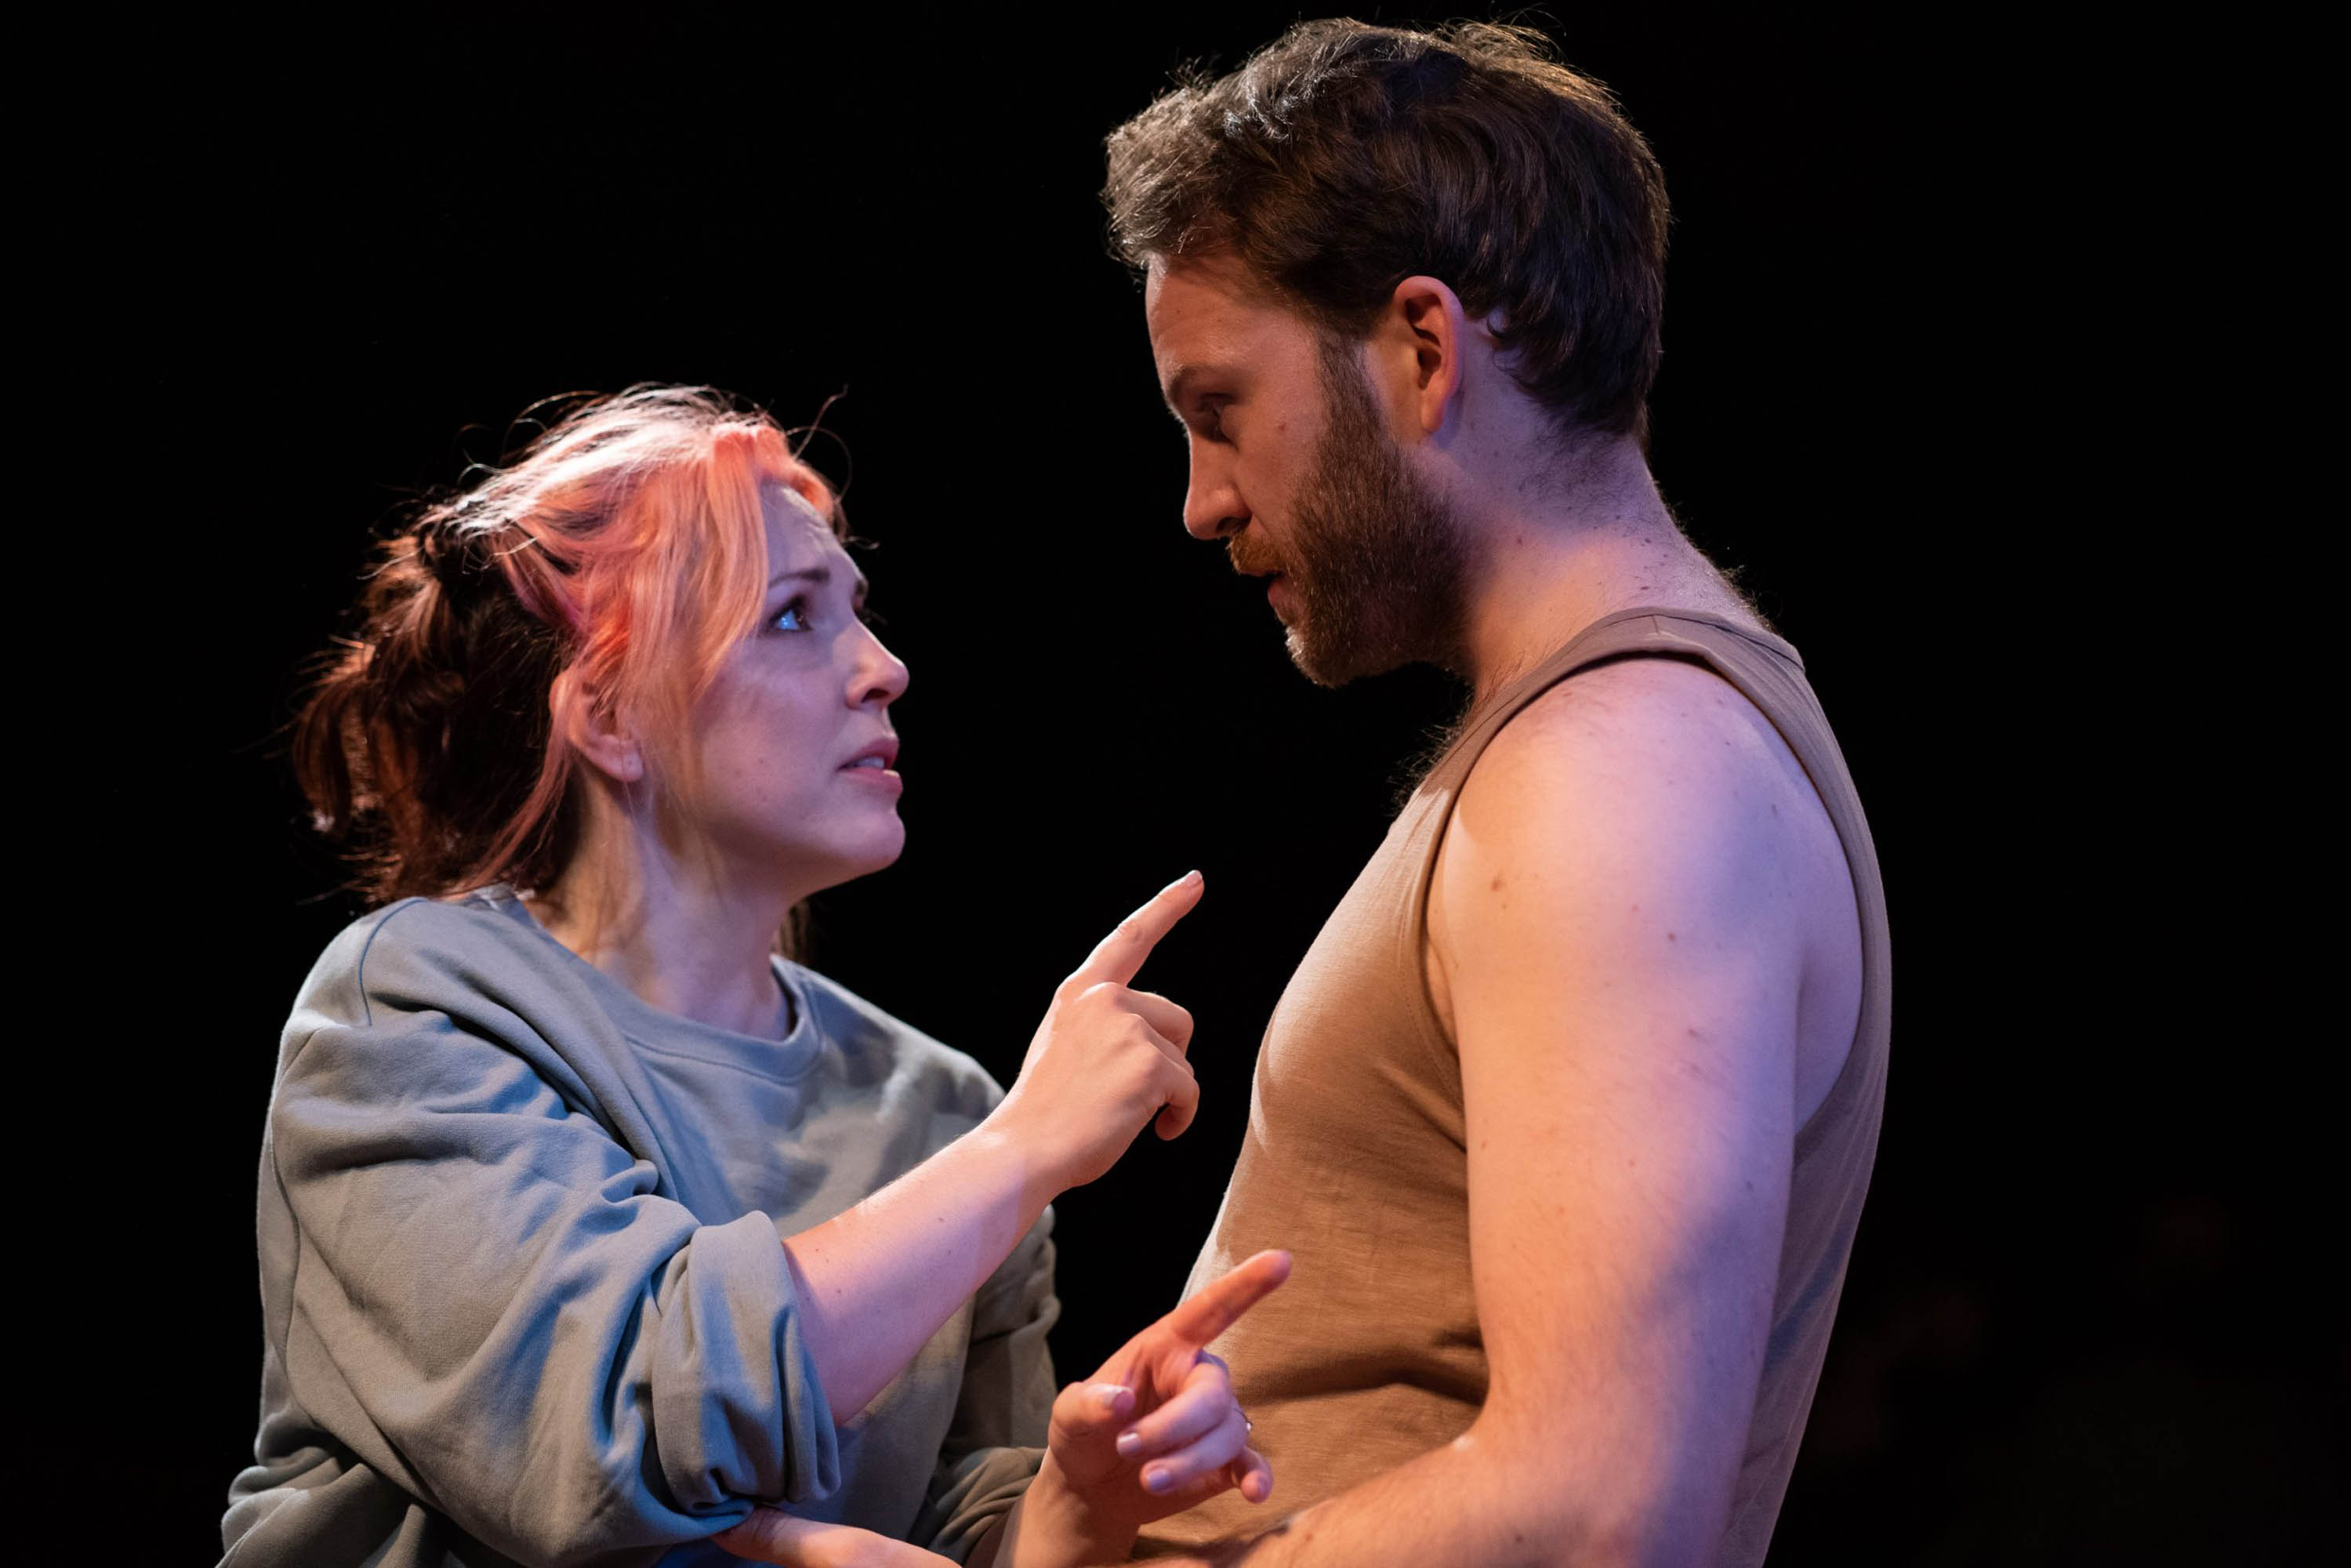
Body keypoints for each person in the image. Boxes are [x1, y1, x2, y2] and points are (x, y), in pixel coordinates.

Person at [221, 386, 1289, 1568]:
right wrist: (1023, 1150)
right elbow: (614, 1436)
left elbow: (949, 1517)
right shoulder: (418, 1009)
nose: (883, 668)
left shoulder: (936, 1106)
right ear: (610, 716)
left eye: (859, 613)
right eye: (790, 616)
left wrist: (1075, 1505)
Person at [1101, 20, 1892, 1566]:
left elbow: (1605, 1508)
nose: (1202, 501)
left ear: (1423, 349)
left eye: (1220, 410)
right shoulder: (1614, 745)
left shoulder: (1624, 778)